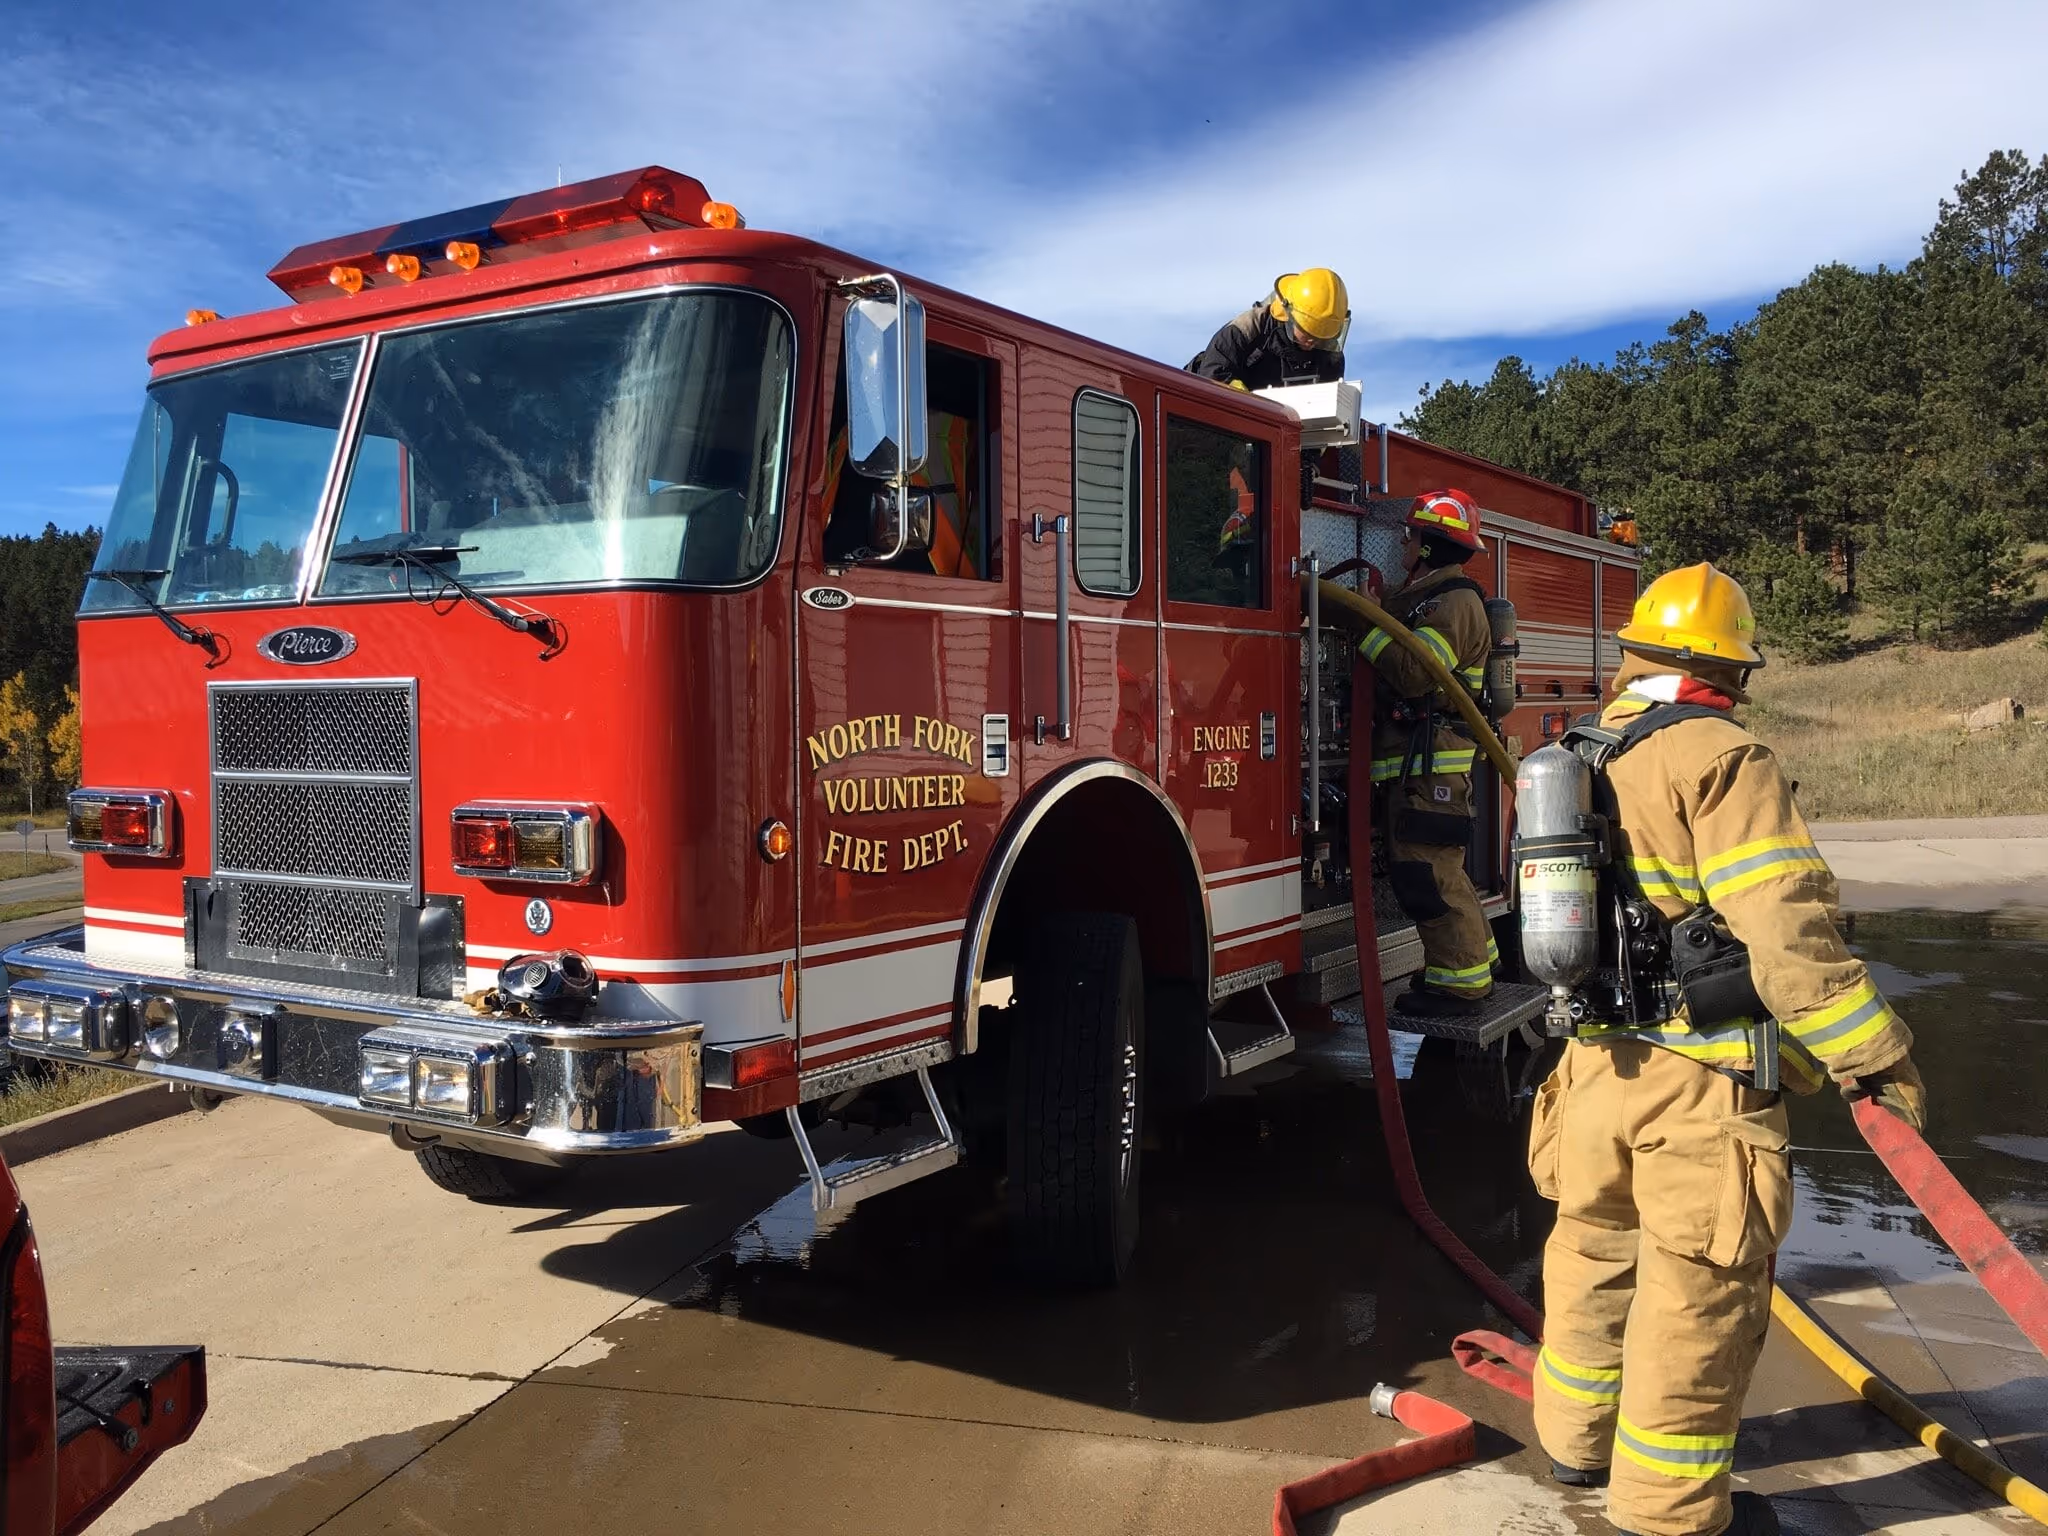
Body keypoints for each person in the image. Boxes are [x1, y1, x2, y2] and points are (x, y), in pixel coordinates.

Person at [1527, 562, 1927, 1536]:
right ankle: (1665, 1514)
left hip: (1588, 1072)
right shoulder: (1718, 755)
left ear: (1636, 655)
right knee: (1693, 1302)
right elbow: (1787, 934)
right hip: (1694, 1089)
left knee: (1588, 1257)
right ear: (1727, 669)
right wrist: (1874, 1057)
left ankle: (1573, 1452)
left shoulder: (1583, 745)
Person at [1355, 488, 1497, 1015]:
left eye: (1411, 536)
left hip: (1433, 765)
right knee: (1437, 869)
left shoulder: (1454, 602)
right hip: (1418, 763)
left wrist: (1367, 623)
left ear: (1429, 545)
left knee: (1429, 874)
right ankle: (1472, 966)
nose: (1405, 543)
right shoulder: (1424, 596)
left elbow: (1416, 675)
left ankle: (1459, 985)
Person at [1187, 269, 1349, 390]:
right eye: (1307, 331)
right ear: (1288, 316)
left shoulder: (1330, 356)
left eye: (1322, 336)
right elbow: (1213, 374)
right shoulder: (1248, 328)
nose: (1313, 341)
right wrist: (1245, 399)